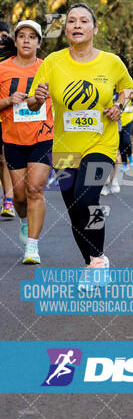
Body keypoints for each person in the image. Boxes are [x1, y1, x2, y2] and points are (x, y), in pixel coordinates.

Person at [28, 3, 133, 276]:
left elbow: (128, 87)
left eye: (83, 21)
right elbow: (31, 101)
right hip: (64, 147)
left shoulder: (111, 61)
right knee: (74, 209)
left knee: (87, 198)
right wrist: (37, 98)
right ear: (65, 30)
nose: (77, 25)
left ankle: (97, 261)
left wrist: (119, 107)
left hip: (101, 143)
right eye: (71, 21)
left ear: (94, 29)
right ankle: (92, 261)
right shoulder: (52, 62)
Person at [0, 20, 54, 264]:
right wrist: (10, 100)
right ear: (16, 40)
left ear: (38, 43)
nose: (26, 40)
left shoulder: (49, 69)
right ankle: (24, 221)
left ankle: (32, 247)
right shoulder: (2, 69)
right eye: (22, 36)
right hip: (13, 138)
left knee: (35, 189)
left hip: (43, 137)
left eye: (32, 37)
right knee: (20, 197)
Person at [0, 21, 17, 218]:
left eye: (4, 35)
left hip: (9, 116)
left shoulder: (15, 56)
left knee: (5, 159)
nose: (1, 39)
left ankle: (9, 201)